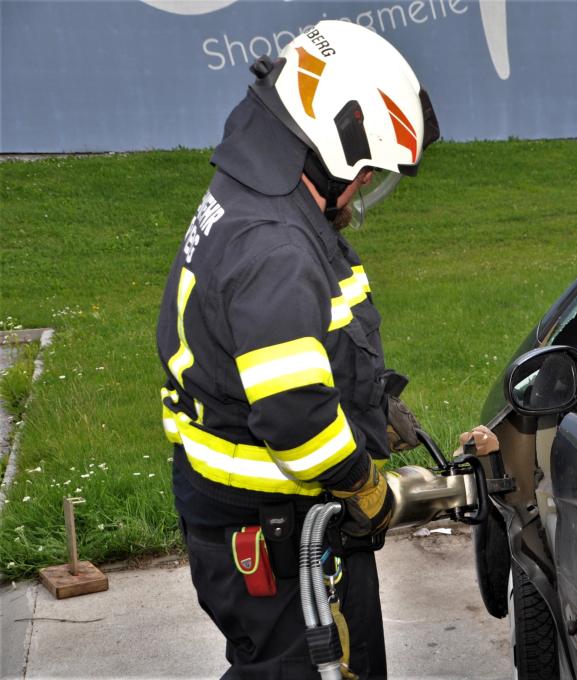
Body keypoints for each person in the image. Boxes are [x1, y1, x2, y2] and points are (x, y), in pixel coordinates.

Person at [156, 21, 496, 679]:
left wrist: (370, 405)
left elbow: (290, 344)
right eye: (366, 171)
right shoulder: (276, 247)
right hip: (274, 529)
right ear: (334, 145)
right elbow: (294, 417)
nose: (365, 185)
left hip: (246, 514)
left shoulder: (258, 193)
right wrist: (364, 486)